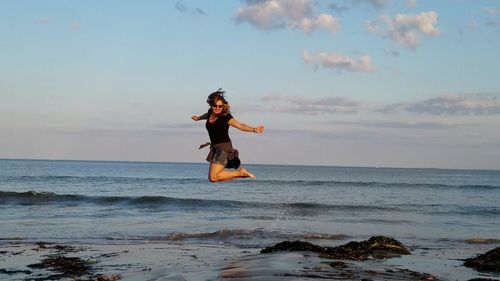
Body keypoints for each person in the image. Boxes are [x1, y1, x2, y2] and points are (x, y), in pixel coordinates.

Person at [192, 89, 264, 182]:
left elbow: (240, 125)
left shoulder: (225, 117)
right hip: (215, 147)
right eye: (215, 106)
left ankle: (241, 173)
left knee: (214, 177)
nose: (217, 108)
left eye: (220, 106)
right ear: (211, 105)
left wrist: (254, 129)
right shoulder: (210, 112)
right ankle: (242, 174)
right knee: (212, 179)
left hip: (223, 147)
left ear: (223, 106)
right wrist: (199, 118)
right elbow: (208, 114)